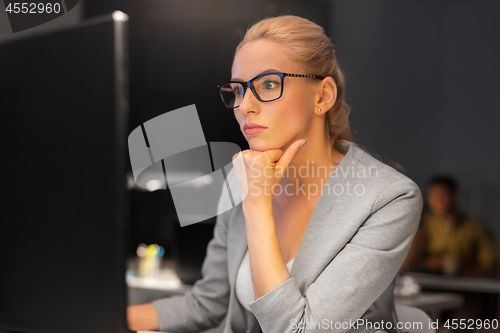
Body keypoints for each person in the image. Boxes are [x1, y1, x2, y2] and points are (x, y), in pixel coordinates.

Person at [127, 15, 423, 333]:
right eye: (238, 90)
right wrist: (104, 314)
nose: (245, 106)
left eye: (268, 84)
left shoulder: (389, 197)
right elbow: (207, 303)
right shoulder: (239, 182)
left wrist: (257, 204)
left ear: (323, 96)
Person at [403, 175, 496, 276]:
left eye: (442, 195)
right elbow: (405, 264)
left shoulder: (476, 227)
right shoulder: (423, 225)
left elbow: (490, 266)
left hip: (465, 287)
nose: (437, 200)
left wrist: (459, 268)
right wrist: (428, 263)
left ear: (454, 195)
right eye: (433, 196)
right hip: (428, 284)